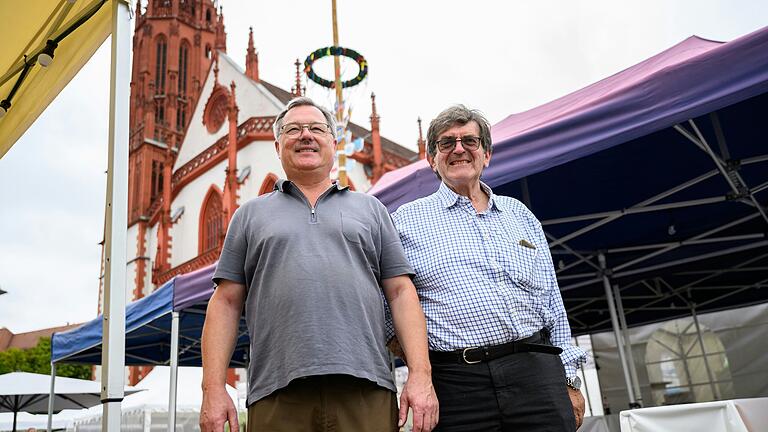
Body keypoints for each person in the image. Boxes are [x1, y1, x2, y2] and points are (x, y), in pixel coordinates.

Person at [199, 97, 438, 432]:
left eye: (316, 128)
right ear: (278, 145)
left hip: (366, 387)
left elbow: (401, 293)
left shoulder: (371, 209)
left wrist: (420, 375)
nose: (305, 135)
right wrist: (212, 389)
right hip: (276, 392)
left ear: (334, 142)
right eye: (293, 129)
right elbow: (224, 303)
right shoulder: (249, 215)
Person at [391, 105, 587, 431]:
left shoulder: (519, 214)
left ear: (487, 154)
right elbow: (389, 308)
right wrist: (419, 370)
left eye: (470, 141)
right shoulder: (404, 222)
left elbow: (552, 302)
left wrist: (569, 378)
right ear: (431, 159)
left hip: (537, 374)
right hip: (457, 383)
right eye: (446, 143)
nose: (458, 149)